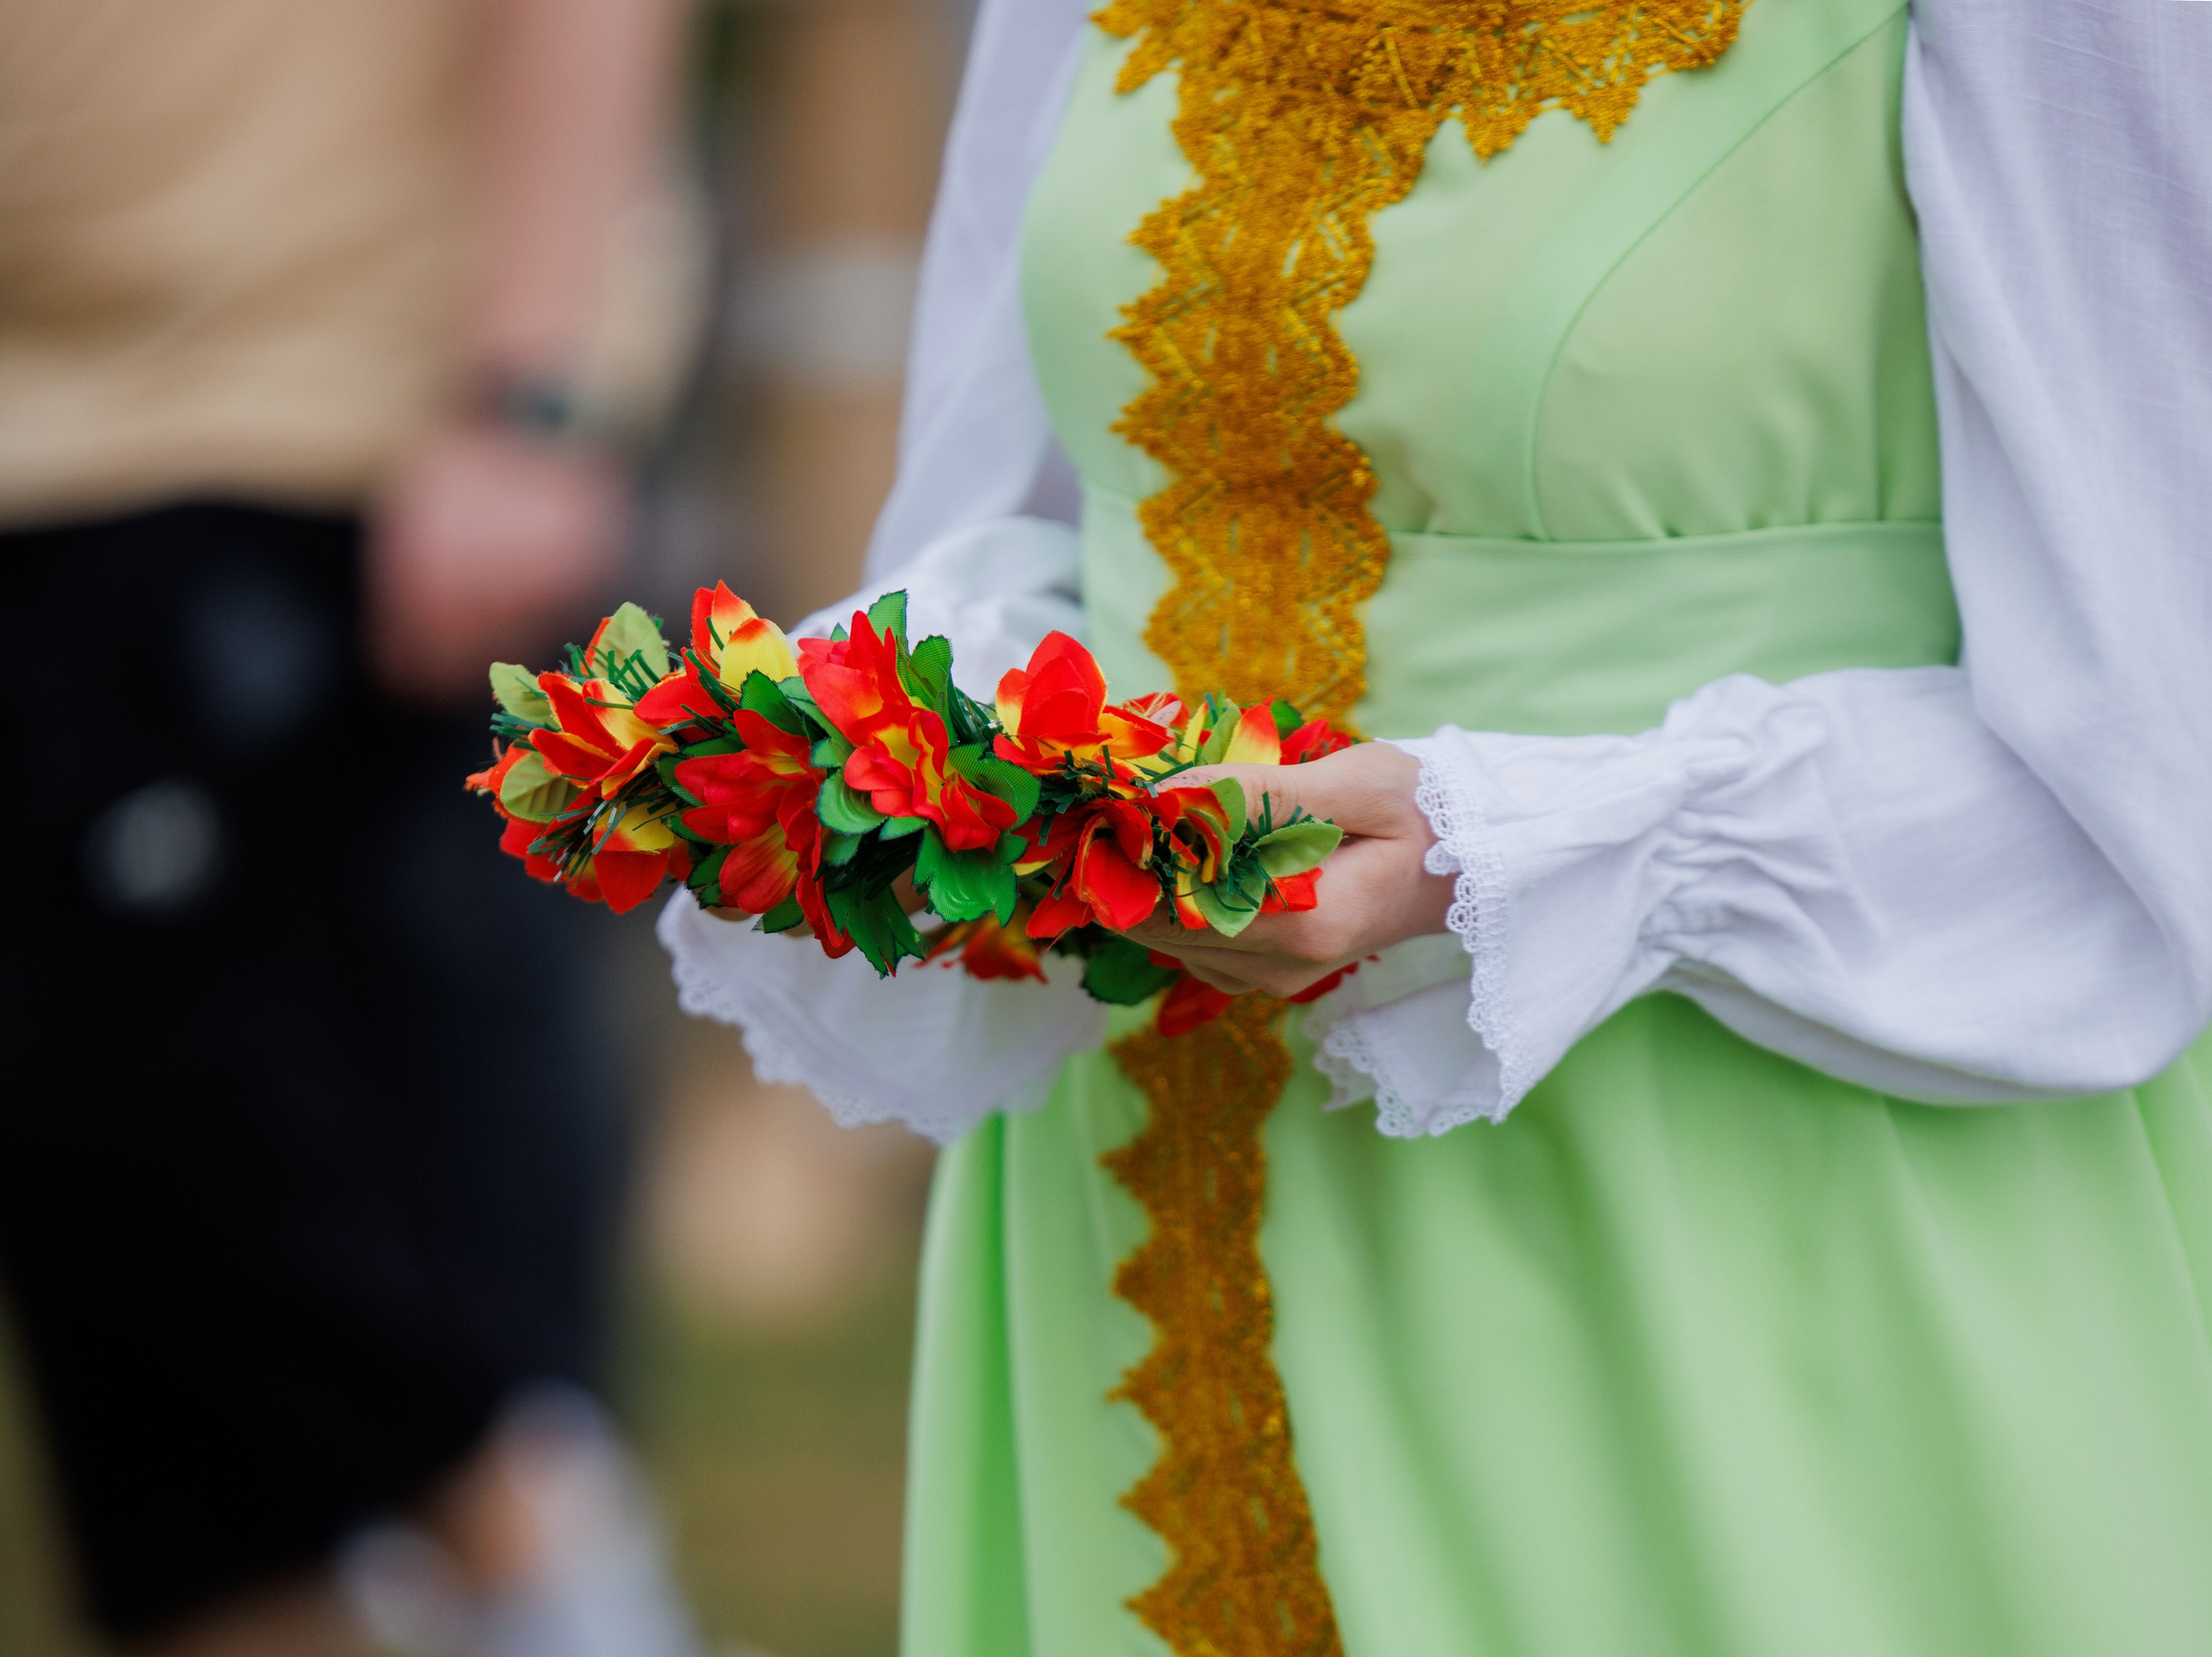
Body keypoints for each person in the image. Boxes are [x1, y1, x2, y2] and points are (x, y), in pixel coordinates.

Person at [662, 0, 2212, 1652]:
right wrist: (919, 758)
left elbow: (2159, 722)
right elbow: (1012, 492)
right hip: (1139, 1191)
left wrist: (1548, 850)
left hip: (1754, 1181)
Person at [0, 4, 699, 1654]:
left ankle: (552, 1560)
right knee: (75, 1217)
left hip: (310, 413)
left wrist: (530, 394)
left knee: (209, 1126)